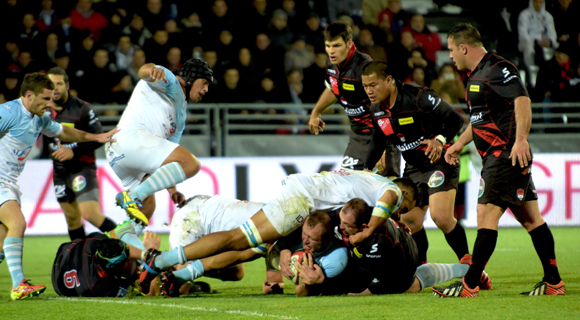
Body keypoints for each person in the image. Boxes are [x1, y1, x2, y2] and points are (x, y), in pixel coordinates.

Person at [434, 23, 565, 297]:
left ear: (463, 47)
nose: (449, 56)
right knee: (531, 219)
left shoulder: (498, 68)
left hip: (504, 154)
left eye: (450, 50)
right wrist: (457, 144)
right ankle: (553, 281)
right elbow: (480, 120)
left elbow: (522, 100)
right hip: (499, 155)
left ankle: (469, 285)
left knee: (486, 216)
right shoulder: (475, 75)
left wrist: (521, 139)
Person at [139, 170, 418, 289]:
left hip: (302, 196)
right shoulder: (391, 190)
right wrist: (368, 233)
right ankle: (162, 261)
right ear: (403, 191)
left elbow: (380, 210)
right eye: (407, 205)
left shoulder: (370, 182)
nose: (403, 210)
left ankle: (180, 274)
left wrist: (391, 222)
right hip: (301, 201)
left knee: (249, 249)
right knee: (237, 240)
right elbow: (389, 201)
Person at [0, 72, 118, 300]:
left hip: (11, 181)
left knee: (2, 241)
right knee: (18, 222)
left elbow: (65, 132)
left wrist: (96, 138)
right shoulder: (8, 112)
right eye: (45, 99)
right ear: (29, 95)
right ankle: (18, 286)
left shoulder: (40, 118)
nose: (49, 104)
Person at [361, 61, 469, 265]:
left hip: (439, 160)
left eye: (373, 85)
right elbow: (378, 140)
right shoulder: (376, 109)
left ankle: (472, 267)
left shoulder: (419, 97)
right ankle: (421, 267)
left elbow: (455, 119)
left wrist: (440, 140)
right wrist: (367, 167)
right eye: (365, 86)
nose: (369, 91)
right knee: (409, 221)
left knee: (441, 217)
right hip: (413, 167)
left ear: (389, 80)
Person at [106, 58, 213, 228]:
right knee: (192, 164)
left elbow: (167, 160)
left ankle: (123, 246)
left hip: (120, 153)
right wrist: (151, 70)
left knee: (147, 208)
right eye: (205, 82)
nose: (206, 89)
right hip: (131, 140)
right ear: (191, 77)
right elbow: (144, 71)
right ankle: (132, 196)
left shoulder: (181, 117)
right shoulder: (171, 81)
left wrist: (173, 190)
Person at [337, 198, 487, 295]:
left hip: (399, 272)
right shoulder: (363, 216)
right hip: (402, 251)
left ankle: (471, 271)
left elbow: (361, 277)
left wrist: (352, 245)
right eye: (341, 221)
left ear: (363, 227)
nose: (340, 227)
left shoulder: (378, 241)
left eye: (346, 225)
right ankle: (469, 270)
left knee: (353, 292)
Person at [308, 22, 400, 175]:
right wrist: (316, 112)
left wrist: (382, 149)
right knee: (348, 186)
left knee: (386, 189)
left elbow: (385, 104)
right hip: (358, 136)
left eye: (337, 45)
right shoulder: (331, 64)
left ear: (349, 43)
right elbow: (333, 89)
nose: (331, 51)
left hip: (379, 135)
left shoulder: (363, 67)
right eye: (328, 46)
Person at [46, 67, 117, 241]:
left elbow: (98, 138)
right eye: (51, 84)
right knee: (72, 220)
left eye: (59, 84)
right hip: (60, 172)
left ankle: (131, 248)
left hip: (82, 169)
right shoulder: (42, 109)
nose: (55, 88)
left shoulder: (83, 109)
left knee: (90, 214)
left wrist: (73, 151)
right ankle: (80, 262)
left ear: (67, 85)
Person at [156, 195, 269, 296]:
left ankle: (183, 269)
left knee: (236, 273)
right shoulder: (273, 225)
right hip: (193, 215)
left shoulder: (276, 217)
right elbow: (272, 281)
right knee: (179, 288)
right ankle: (164, 265)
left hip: (211, 213)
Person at [52, 231, 159, 297]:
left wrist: (146, 254)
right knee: (135, 274)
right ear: (117, 272)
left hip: (65, 253)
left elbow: (116, 243)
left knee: (126, 259)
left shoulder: (94, 242)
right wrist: (154, 258)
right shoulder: (98, 286)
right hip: (60, 284)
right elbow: (150, 293)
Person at [265, 211, 348, 296]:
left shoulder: (337, 259)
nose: (305, 241)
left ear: (327, 239)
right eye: (304, 233)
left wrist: (308, 284)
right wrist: (284, 249)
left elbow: (302, 292)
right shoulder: (297, 233)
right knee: (261, 246)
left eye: (313, 239)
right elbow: (271, 248)